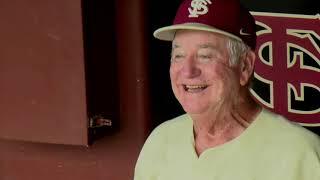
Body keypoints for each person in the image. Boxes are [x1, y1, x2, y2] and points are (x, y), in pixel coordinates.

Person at [134, 0, 320, 179]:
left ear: (245, 66)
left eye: (205, 55)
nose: (188, 70)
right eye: (179, 55)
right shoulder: (160, 141)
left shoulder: (301, 154)